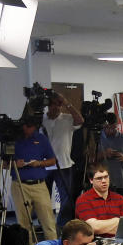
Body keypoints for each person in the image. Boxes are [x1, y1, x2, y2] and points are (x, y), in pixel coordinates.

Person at [10, 118, 58, 242]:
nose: (29, 129)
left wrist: (39, 163)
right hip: (19, 185)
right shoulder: (12, 139)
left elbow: (53, 160)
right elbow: (4, 164)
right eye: (27, 126)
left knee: (48, 221)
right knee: (23, 223)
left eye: (31, 127)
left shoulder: (41, 138)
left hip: (39, 185)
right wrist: (15, 164)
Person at [42, 92, 84, 230]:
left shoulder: (68, 118)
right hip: (44, 165)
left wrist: (66, 102)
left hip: (64, 164)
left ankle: (62, 225)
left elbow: (80, 121)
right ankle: (46, 223)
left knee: (66, 197)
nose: (56, 107)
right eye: (53, 104)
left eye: (58, 104)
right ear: (48, 105)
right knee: (43, 197)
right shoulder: (41, 120)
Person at [75, 163, 123, 238]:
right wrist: (117, 221)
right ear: (91, 180)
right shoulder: (83, 200)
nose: (104, 181)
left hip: (118, 243)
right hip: (93, 244)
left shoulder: (119, 199)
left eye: (106, 177)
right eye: (99, 178)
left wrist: (103, 226)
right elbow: (93, 227)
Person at [97, 115, 123, 198]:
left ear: (116, 125)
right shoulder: (96, 137)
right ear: (104, 126)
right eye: (107, 128)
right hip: (102, 183)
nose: (110, 131)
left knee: (120, 209)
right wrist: (104, 154)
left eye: (113, 128)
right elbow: (89, 159)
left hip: (120, 182)